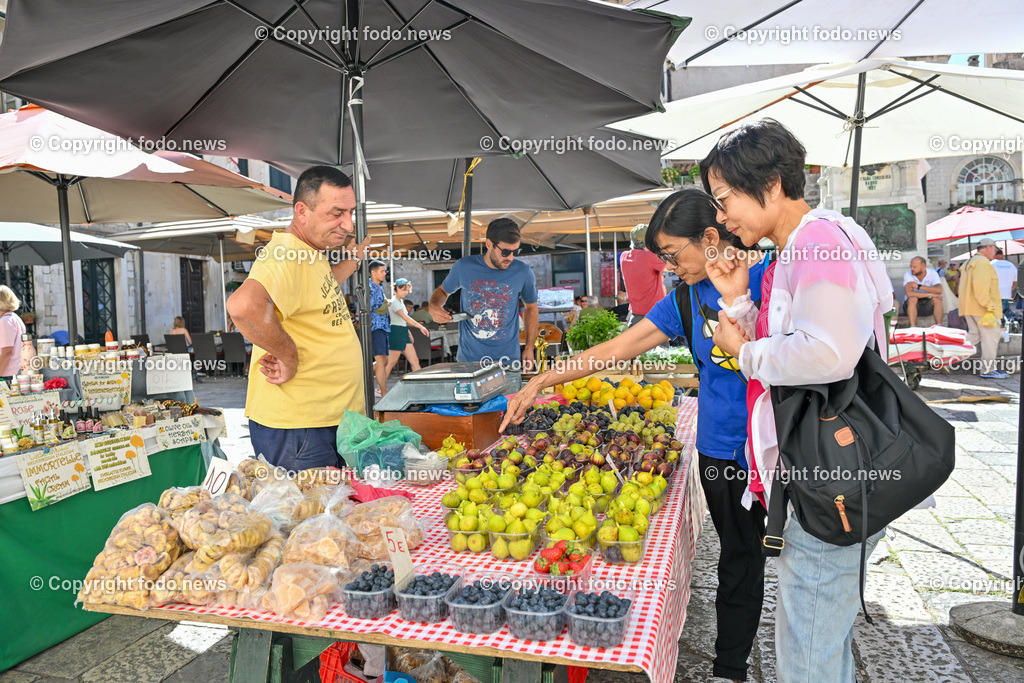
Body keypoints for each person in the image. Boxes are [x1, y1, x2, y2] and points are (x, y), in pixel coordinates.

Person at [502, 188, 768, 682]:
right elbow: (618, 346)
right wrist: (541, 380)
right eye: (663, 258)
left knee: (759, 558)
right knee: (736, 556)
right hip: (716, 449)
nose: (669, 267)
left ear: (710, 237)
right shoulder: (685, 298)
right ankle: (729, 666)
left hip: (766, 450)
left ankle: (737, 662)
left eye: (673, 255)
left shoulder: (768, 276)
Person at [701, 118, 894, 683]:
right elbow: (799, 339)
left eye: (725, 198)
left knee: (806, 657)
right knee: (819, 643)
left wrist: (744, 354)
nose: (721, 216)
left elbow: (828, 353)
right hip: (826, 473)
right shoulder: (806, 245)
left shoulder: (818, 241)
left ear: (769, 185)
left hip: (828, 478)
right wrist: (737, 303)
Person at [227, 165, 370, 472]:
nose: (348, 224)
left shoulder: (310, 253)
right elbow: (242, 305)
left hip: (322, 422)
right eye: (336, 213)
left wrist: (354, 260)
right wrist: (288, 355)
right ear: (302, 211)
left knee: (330, 516)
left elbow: (320, 289)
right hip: (300, 428)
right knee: (304, 518)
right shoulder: (286, 254)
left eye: (350, 212)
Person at [429, 218, 538, 371]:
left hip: (508, 362)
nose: (511, 258)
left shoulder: (523, 271)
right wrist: (433, 306)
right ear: (489, 244)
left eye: (515, 251)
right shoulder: (464, 267)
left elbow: (531, 308)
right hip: (468, 362)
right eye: (505, 252)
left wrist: (529, 347)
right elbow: (442, 291)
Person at [958, 238, 1005, 379]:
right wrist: (989, 306)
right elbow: (980, 288)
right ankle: (988, 369)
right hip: (983, 309)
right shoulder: (983, 263)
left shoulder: (969, 263)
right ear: (989, 248)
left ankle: (947, 358)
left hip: (969, 306)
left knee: (974, 335)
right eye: (995, 250)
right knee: (991, 337)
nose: (995, 253)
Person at [619, 223, 667, 326]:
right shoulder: (650, 257)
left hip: (635, 315)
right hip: (654, 315)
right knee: (660, 342)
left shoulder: (624, 257)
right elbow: (672, 265)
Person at [385, 278, 430, 378]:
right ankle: (380, 387)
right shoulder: (394, 302)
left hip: (402, 332)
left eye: (407, 290)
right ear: (397, 288)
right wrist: (421, 327)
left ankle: (419, 384)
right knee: (390, 363)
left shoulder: (400, 301)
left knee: (414, 361)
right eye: (404, 290)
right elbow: (406, 318)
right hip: (396, 333)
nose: (406, 292)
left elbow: (403, 321)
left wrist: (408, 334)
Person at [368, 261, 391, 396]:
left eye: (385, 271)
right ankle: (383, 391)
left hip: (383, 327)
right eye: (382, 271)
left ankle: (362, 375)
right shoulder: (370, 287)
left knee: (385, 360)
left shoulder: (380, 286)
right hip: (375, 327)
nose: (385, 273)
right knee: (381, 360)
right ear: (373, 272)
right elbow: (368, 307)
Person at [902, 256, 944, 326]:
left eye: (914, 267)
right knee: (913, 299)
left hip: (928, 304)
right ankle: (913, 327)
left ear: (923, 266)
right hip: (911, 305)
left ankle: (939, 325)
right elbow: (909, 294)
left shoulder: (932, 273)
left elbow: (939, 290)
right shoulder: (908, 274)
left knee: (937, 299)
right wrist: (931, 294)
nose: (912, 269)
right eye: (911, 266)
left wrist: (919, 287)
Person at [0, 286, 26, 382]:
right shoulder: (14, 317)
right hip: (15, 371)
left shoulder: (5, 321)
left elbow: (7, 352)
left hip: (7, 374)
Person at [991, 248, 1018, 318]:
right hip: (1007, 294)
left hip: (994, 295)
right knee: (1006, 315)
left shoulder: (991, 264)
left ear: (994, 255)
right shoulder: (1011, 265)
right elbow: (1016, 281)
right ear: (1002, 255)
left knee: (995, 318)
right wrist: (1010, 289)